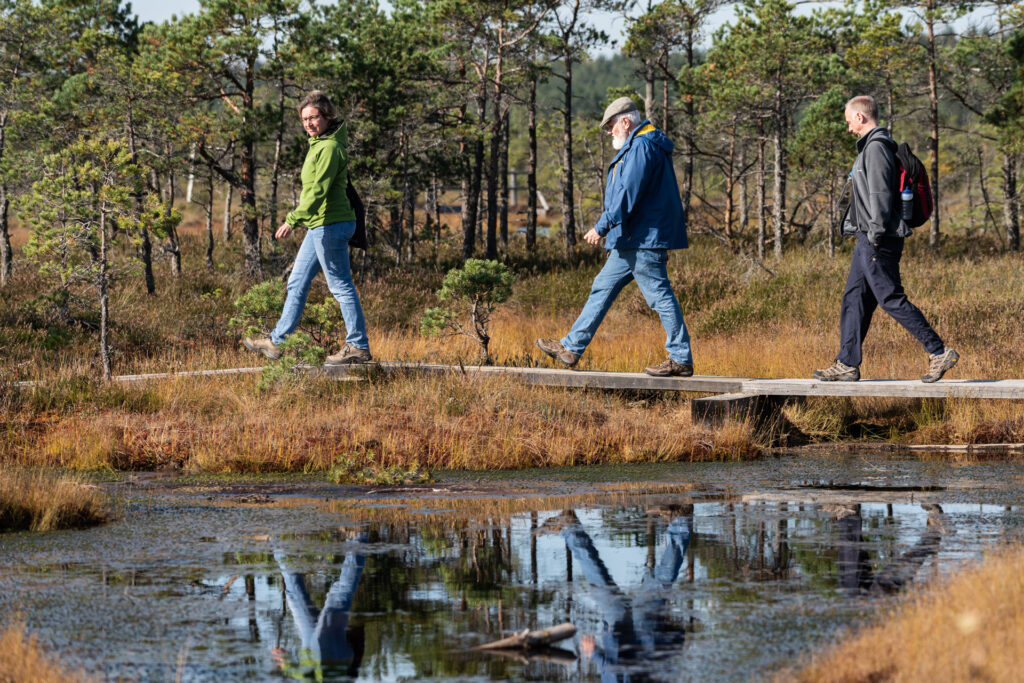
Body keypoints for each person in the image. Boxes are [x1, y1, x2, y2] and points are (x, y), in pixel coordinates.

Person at [536, 97, 693, 377]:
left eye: (610, 126)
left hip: (644, 240)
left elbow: (627, 193)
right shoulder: (639, 145)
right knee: (601, 288)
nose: (609, 132)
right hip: (629, 240)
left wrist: (602, 226)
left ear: (625, 121)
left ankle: (680, 358)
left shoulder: (643, 146)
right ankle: (571, 348)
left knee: (659, 295)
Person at [814, 95, 958, 383]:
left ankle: (938, 351)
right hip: (866, 237)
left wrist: (877, 233)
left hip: (878, 237)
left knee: (890, 297)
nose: (849, 129)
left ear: (860, 118)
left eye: (849, 122)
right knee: (854, 298)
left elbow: (880, 195)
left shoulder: (877, 148)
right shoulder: (871, 148)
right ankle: (847, 363)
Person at [243, 90, 371, 366]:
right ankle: (277, 342)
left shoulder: (329, 148)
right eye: (305, 119)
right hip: (320, 225)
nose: (309, 123)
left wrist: (293, 219)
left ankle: (358, 345)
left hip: (331, 225)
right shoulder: (319, 144)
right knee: (297, 282)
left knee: (340, 286)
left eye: (314, 117)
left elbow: (318, 192)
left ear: (327, 116)